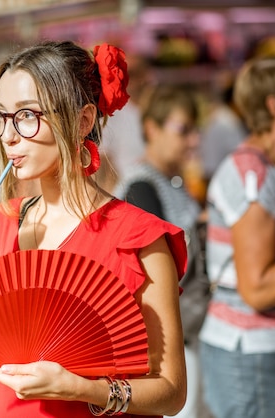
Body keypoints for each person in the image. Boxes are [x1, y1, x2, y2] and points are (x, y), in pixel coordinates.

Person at [0, 40, 188, 417]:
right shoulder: (1, 223)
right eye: (1, 117)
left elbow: (171, 394)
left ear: (84, 121)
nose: (8, 136)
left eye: (27, 116)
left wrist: (83, 389)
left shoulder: (139, 241)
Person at [113, 85, 211, 418]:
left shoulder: (172, 181)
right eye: (184, 130)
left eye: (195, 130)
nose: (193, 140)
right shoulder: (141, 186)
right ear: (152, 129)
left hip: (185, 327)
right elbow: (160, 272)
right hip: (164, 340)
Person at [198, 55, 275, 418]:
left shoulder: (265, 170)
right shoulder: (254, 176)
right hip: (250, 356)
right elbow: (258, 287)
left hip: (255, 354)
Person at [98, 53, 154, 192]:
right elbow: (104, 165)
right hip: (128, 194)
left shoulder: (157, 110)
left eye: (132, 74)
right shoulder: (112, 116)